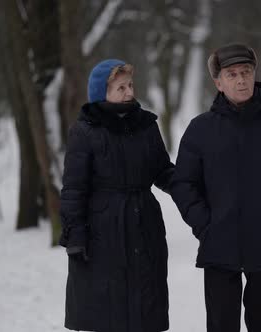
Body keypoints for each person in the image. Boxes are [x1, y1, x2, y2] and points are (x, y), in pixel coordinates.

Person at [171, 43, 261, 332]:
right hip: (218, 248)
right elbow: (184, 183)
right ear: (218, 82)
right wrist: (204, 225)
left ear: (254, 74)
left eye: (246, 72)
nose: (241, 80)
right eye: (232, 74)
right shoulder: (200, 129)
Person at [59, 59, 174, 332]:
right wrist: (75, 235)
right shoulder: (84, 132)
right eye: (120, 87)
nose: (129, 92)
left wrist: (192, 189)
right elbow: (74, 188)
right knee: (106, 307)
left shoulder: (146, 125)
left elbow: (162, 170)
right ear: (102, 92)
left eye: (130, 85)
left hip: (144, 222)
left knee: (145, 299)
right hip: (102, 229)